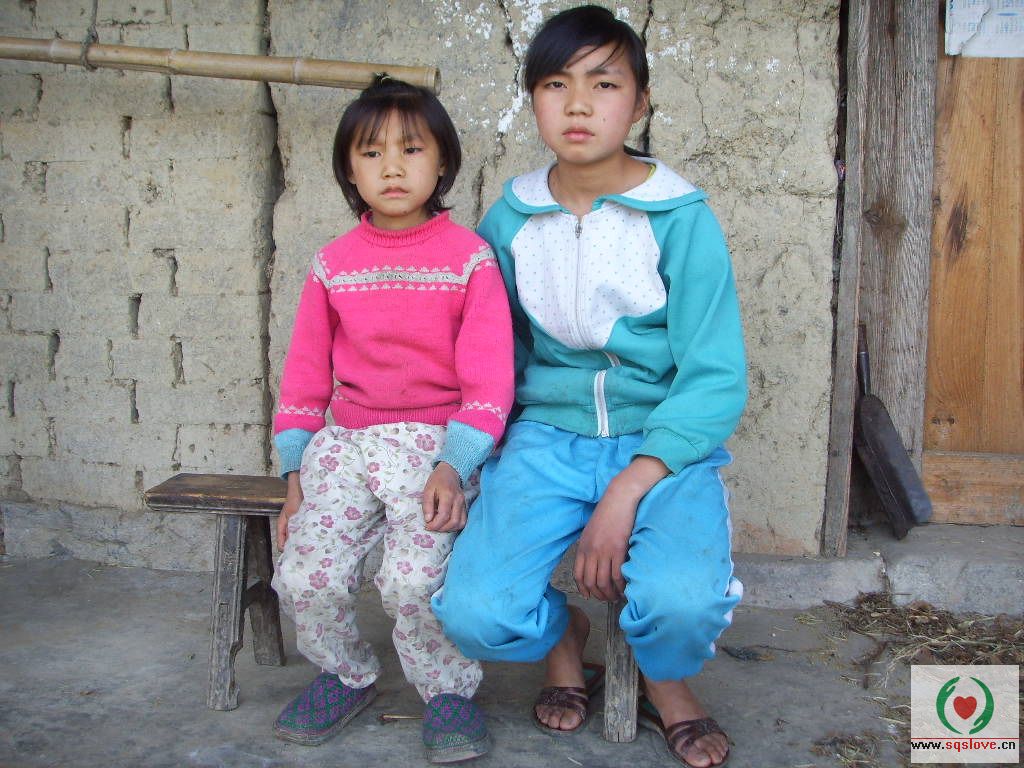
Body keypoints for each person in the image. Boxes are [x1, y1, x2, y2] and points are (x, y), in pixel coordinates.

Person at [432, 6, 745, 767]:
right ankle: (565, 639)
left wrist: (628, 489)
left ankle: (665, 680)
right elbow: (490, 354)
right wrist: (467, 450)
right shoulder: (511, 220)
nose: (578, 105)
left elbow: (713, 373)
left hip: (661, 443)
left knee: (681, 603)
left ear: (639, 104)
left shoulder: (680, 219)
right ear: (533, 99)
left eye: (604, 84)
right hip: (546, 439)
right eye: (555, 84)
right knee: (474, 614)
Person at [270, 75, 513, 764]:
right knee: (305, 574)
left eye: (412, 149)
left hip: (434, 450)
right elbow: (304, 376)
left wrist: (455, 464)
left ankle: (447, 694)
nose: (393, 168)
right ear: (350, 170)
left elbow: (490, 379)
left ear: (443, 163)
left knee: (413, 582)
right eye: (372, 153)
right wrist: (294, 473)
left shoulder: (469, 259)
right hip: (343, 445)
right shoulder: (332, 265)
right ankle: (344, 674)